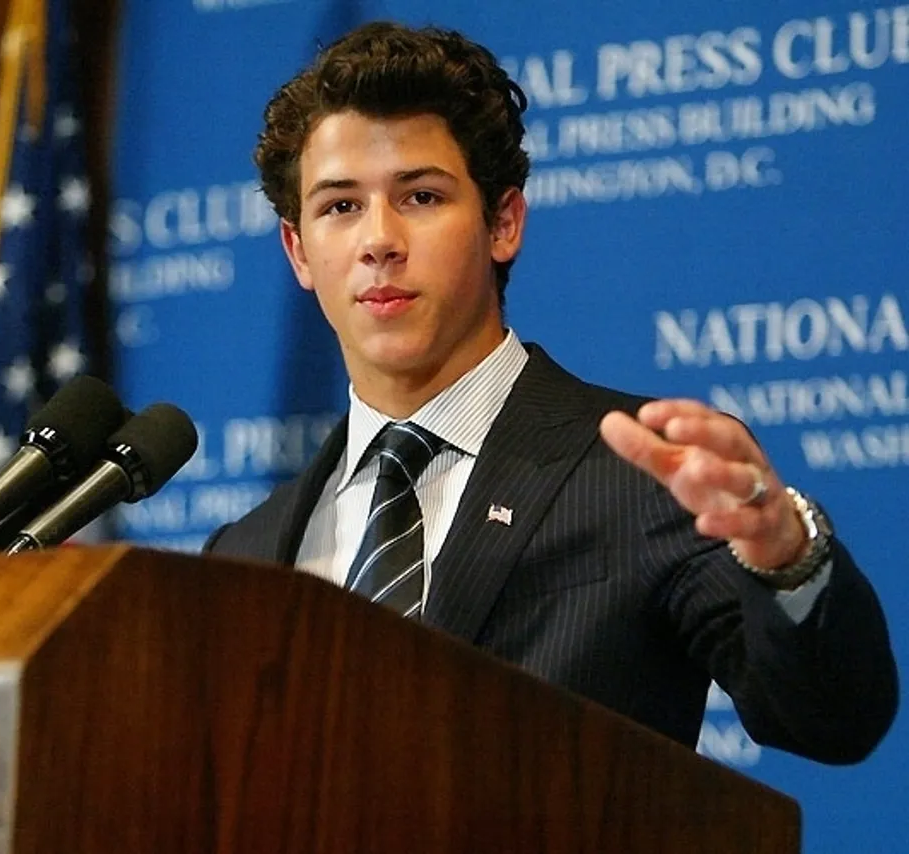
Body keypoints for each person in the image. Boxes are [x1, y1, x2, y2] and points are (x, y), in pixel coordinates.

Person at [205, 21, 897, 762]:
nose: (379, 240)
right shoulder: (240, 556)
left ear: (503, 223)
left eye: (421, 196)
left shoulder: (644, 474)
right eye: (340, 206)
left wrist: (785, 558)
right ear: (298, 250)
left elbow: (830, 717)